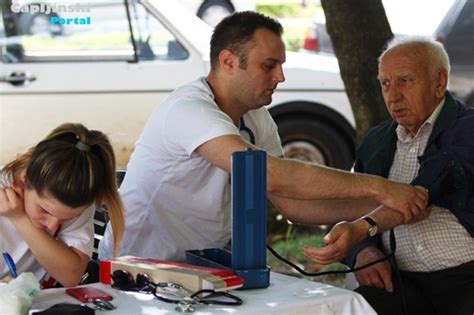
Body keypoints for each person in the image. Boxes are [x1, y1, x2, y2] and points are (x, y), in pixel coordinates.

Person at [99, 11, 428, 262]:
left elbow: (294, 203)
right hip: (135, 266)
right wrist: (381, 187)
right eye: (269, 66)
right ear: (228, 61)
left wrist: (383, 206)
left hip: (196, 268)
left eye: (281, 65)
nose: (280, 77)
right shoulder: (188, 110)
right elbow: (274, 177)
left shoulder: (257, 116)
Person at [303, 37, 474, 314]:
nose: (392, 96)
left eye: (405, 81)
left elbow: (427, 189)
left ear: (439, 82)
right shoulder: (378, 141)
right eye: (385, 83)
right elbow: (346, 203)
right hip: (401, 283)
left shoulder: (467, 128)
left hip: (466, 280)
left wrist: (362, 229)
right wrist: (363, 250)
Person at [0, 123, 125, 287]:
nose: (53, 225)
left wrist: (20, 219)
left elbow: (71, 275)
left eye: (68, 218)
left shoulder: (75, 198)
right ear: (25, 179)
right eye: (45, 210)